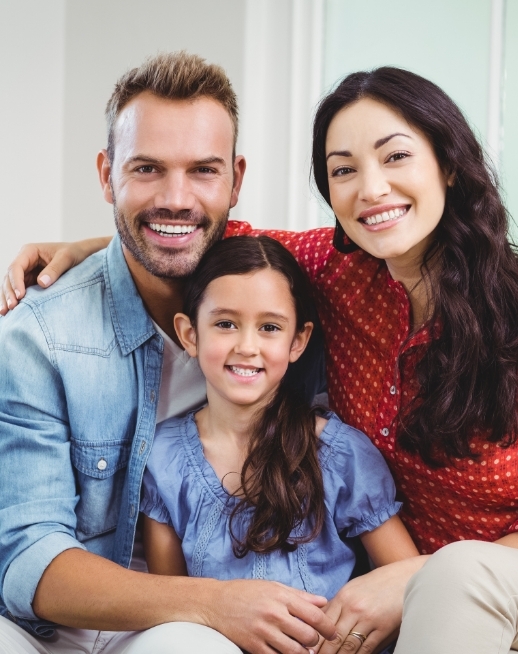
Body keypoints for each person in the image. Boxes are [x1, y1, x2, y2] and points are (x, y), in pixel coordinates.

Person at [8, 65, 518, 653]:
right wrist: (88, 248)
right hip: (402, 593)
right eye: (344, 170)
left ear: (450, 166)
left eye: (396, 157)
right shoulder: (340, 274)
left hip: (516, 585)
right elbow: (208, 240)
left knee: (457, 578)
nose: (371, 189)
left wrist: (413, 576)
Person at [0, 52, 342, 654]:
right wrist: (213, 601)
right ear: (108, 175)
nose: (177, 198)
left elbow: (380, 244)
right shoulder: (39, 336)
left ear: (236, 179)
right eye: (149, 169)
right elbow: (29, 557)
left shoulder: (284, 302)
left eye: (203, 170)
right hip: (50, 630)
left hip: (178, 634)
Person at [140, 235, 417, 654]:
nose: (247, 346)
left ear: (298, 341)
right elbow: (171, 612)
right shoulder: (162, 459)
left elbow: (408, 581)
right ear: (189, 334)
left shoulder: (340, 455)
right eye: (225, 323)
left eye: (269, 327)